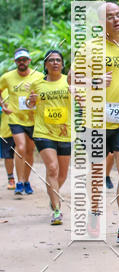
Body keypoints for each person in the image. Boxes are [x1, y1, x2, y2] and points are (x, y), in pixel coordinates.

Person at [69, 2, 119, 243]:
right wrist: (95, 80)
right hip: (96, 119)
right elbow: (71, 79)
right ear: (101, 23)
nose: (116, 20)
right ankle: (94, 212)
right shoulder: (89, 47)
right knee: (97, 172)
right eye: (110, 17)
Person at [27, 50, 71, 225]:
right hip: (43, 133)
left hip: (64, 132)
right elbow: (29, 104)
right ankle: (57, 209)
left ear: (62, 64)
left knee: (62, 174)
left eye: (58, 60)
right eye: (51, 60)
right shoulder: (37, 84)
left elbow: (82, 99)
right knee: (52, 168)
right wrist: (30, 101)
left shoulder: (69, 82)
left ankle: (53, 194)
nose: (55, 63)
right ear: (45, 65)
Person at [0, 48, 44, 197]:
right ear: (15, 62)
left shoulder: (38, 76)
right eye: (19, 60)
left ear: (29, 61)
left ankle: (26, 181)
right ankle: (19, 181)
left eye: (24, 60)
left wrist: (35, 97)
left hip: (33, 119)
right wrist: (3, 105)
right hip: (15, 118)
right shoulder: (7, 77)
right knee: (21, 147)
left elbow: (45, 93)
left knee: (30, 151)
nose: (22, 62)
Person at [0, 90, 15, 189]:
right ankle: (11, 179)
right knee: (8, 155)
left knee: (22, 154)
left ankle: (23, 180)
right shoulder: (3, 91)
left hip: (24, 126)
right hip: (6, 129)